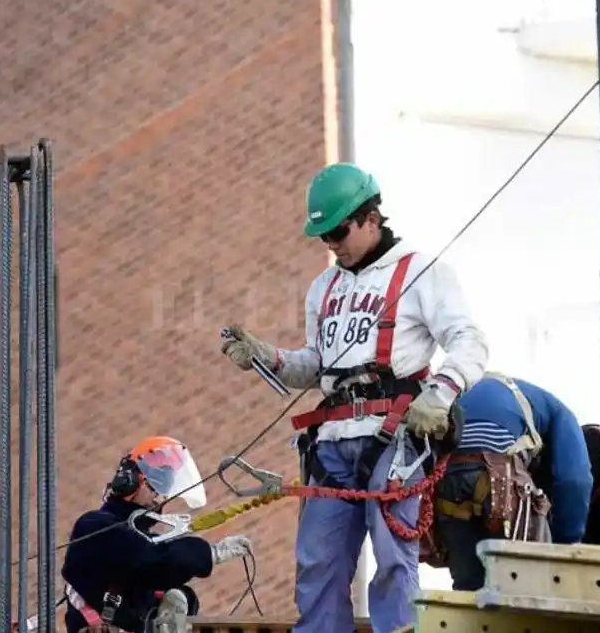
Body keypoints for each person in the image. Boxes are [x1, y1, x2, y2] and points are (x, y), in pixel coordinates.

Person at [221, 162, 489, 633]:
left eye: (338, 231)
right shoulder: (324, 288)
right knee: (318, 564)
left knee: (392, 560)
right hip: (331, 443)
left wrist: (440, 394)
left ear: (370, 217)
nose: (331, 244)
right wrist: (269, 357)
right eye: (323, 236)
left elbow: (469, 341)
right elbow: (319, 365)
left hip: (393, 438)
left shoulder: (421, 272)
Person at [60, 436, 253, 633]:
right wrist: (209, 553)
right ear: (130, 481)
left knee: (179, 594)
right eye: (156, 485)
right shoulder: (95, 526)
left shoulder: (140, 539)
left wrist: (182, 599)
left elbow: (147, 586)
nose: (160, 497)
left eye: (165, 490)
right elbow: (150, 563)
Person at [424, 373, 594, 591]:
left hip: (448, 479)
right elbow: (574, 480)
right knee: (532, 583)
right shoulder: (561, 413)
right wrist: (567, 541)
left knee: (469, 589)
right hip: (501, 476)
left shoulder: (466, 393)